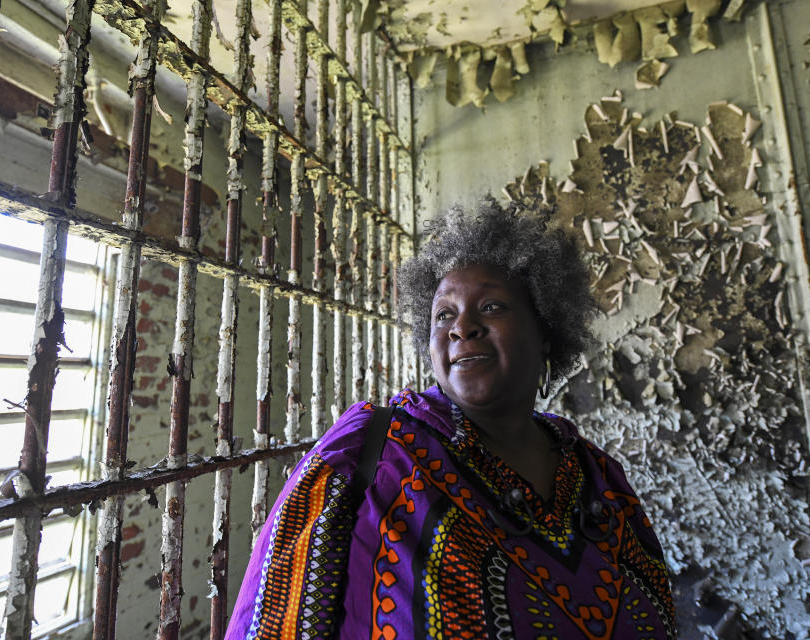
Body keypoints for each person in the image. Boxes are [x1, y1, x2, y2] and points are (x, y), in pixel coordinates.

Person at [225, 199, 677, 639]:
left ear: (546, 333)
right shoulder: (369, 451)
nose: (462, 328)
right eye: (444, 314)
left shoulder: (598, 475)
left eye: (492, 307)